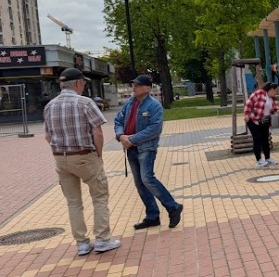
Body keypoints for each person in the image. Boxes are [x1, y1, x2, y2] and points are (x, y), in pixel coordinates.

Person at [43, 68, 120, 256]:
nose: (84, 86)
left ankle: (82, 244)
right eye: (84, 83)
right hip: (85, 155)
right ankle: (102, 239)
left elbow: (47, 136)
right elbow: (97, 132)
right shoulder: (85, 103)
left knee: (73, 202)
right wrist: (99, 155)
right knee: (99, 196)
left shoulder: (49, 106)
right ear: (78, 83)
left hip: (61, 158)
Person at [115, 74, 184, 231]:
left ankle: (173, 207)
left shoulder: (154, 105)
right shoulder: (129, 103)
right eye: (133, 85)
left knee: (147, 179)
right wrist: (121, 136)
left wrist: (132, 139)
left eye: (138, 85)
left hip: (146, 148)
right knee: (140, 184)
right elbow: (118, 120)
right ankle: (152, 216)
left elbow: (154, 129)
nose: (134, 88)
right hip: (130, 149)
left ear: (147, 88)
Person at [243, 82, 279, 167]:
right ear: (271, 89)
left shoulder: (273, 98)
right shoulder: (259, 93)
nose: (277, 92)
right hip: (253, 120)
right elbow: (249, 103)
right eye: (276, 90)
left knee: (265, 139)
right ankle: (259, 160)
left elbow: (275, 108)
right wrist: (246, 114)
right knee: (257, 139)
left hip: (264, 121)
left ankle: (268, 158)